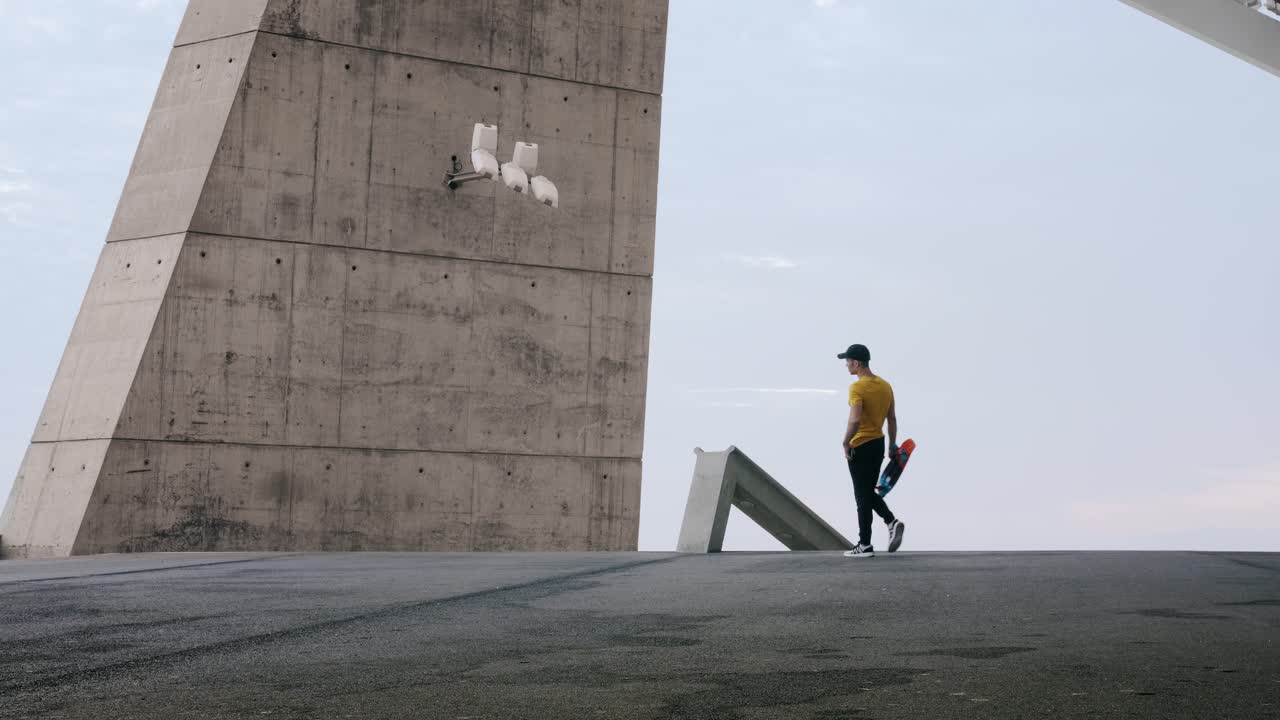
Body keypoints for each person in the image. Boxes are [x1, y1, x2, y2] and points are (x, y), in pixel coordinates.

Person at [837, 343, 904, 558]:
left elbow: (855, 419)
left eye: (847, 361)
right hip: (878, 445)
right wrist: (893, 445)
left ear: (856, 363)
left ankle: (865, 545)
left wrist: (846, 441)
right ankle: (890, 521)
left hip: (860, 445)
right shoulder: (886, 386)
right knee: (866, 493)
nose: (846, 365)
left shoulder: (857, 388)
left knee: (861, 496)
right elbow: (892, 418)